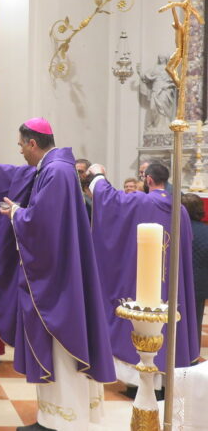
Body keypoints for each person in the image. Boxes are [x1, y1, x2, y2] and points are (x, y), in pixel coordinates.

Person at [0, 117, 115, 431]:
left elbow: (43, 223)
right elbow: (21, 176)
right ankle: (50, 417)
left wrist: (15, 213)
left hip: (58, 280)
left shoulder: (56, 172)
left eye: (20, 145)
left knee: (62, 346)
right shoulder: (53, 167)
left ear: (32, 142)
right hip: (60, 273)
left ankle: (64, 420)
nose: (20, 151)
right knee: (54, 348)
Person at [88, 162, 198, 389]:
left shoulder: (142, 201)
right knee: (168, 321)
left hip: (144, 280)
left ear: (148, 179)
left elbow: (110, 200)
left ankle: (144, 379)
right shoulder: (181, 210)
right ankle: (165, 380)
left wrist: (98, 175)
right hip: (172, 282)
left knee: (145, 318)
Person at [182, 193, 208, 339]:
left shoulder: (174, 228)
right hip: (199, 286)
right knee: (195, 323)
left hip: (177, 284)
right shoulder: (206, 231)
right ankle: (193, 351)